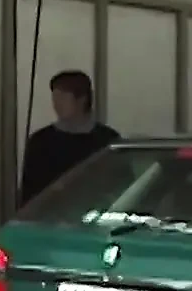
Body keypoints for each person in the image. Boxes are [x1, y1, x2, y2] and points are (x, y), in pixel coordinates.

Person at [19, 70, 120, 207]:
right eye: (54, 98)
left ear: (81, 99)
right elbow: (30, 193)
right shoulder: (41, 141)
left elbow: (121, 188)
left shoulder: (108, 140)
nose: (56, 104)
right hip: (51, 219)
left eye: (63, 98)